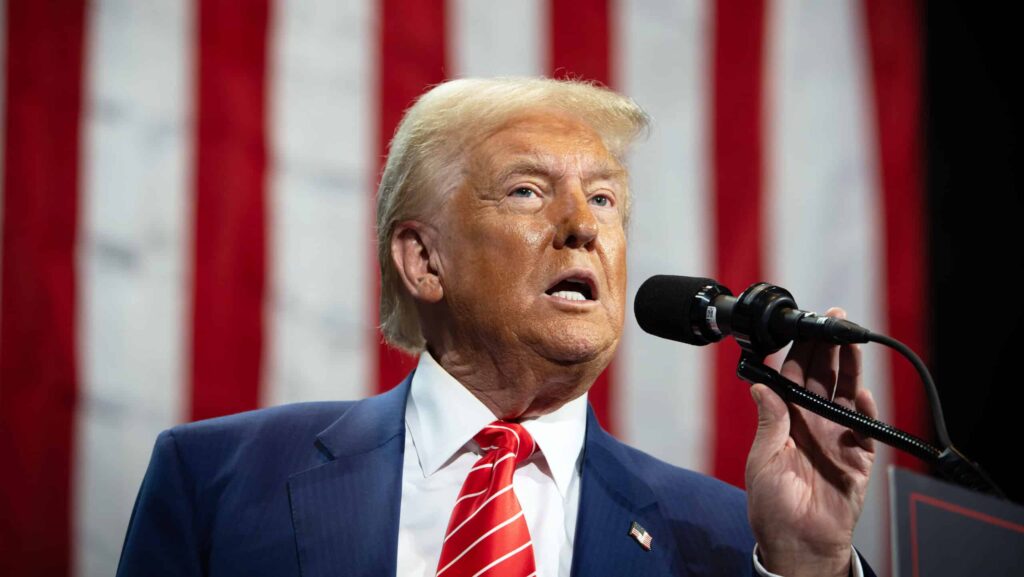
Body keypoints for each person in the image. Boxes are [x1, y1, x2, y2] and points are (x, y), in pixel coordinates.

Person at [117, 77, 877, 577]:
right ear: (423, 259)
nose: (583, 226)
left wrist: (809, 564)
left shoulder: (725, 537)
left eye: (605, 200)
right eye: (525, 191)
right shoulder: (217, 482)